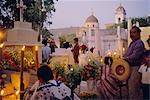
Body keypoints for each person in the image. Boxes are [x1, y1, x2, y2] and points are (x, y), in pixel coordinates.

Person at [124, 26, 145, 99]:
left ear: (139, 33)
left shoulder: (139, 43)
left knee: (133, 91)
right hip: (129, 68)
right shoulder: (132, 43)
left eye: (134, 32)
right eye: (130, 33)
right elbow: (127, 55)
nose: (131, 34)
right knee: (129, 90)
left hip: (135, 69)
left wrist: (124, 59)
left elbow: (134, 56)